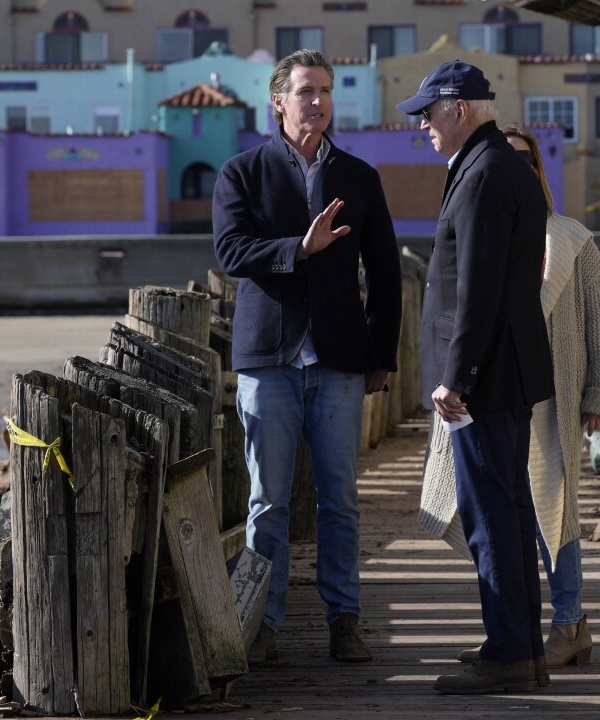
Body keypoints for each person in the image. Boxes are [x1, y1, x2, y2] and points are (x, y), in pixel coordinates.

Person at [212, 48, 402, 665]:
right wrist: (301, 246)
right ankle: (262, 622)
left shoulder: (359, 176)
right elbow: (231, 252)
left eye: (325, 91)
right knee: (267, 500)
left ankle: (344, 619)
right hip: (268, 360)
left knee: (340, 499)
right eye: (305, 92)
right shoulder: (242, 172)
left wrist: (382, 353)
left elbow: (386, 274)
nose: (317, 102)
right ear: (279, 101)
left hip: (340, 363)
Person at [418, 125, 600, 672]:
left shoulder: (572, 238)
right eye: (507, 160)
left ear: (539, 170)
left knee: (553, 512)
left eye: (528, 161)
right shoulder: (484, 229)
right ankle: (516, 634)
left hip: (552, 392)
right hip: (492, 388)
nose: (518, 169)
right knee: (503, 512)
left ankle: (569, 622)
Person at [397, 59, 554, 694]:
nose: (424, 127)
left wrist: (455, 376)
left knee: (492, 515)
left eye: (429, 114)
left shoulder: (485, 173)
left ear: (459, 107)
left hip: (484, 378)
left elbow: (478, 289)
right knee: (508, 511)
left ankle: (511, 655)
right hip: (505, 370)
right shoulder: (496, 164)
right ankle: (520, 646)